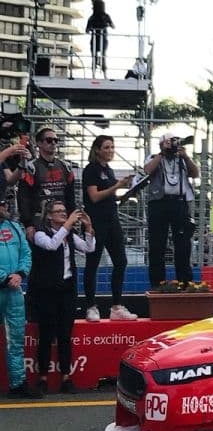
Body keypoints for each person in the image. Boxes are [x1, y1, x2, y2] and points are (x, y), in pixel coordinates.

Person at [30, 200, 95, 394]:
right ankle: (42, 377)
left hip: (67, 289)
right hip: (47, 290)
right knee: (46, 335)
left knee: (65, 335)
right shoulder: (41, 233)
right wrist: (68, 226)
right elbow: (51, 245)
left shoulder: (70, 235)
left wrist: (89, 227)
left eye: (64, 211)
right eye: (58, 211)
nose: (63, 214)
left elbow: (89, 248)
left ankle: (66, 377)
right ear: (49, 215)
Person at [81, 135, 136, 321]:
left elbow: (109, 196)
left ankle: (117, 305)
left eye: (112, 147)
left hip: (112, 219)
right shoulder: (91, 170)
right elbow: (94, 196)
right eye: (107, 147)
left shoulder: (109, 170)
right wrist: (116, 186)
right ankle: (90, 305)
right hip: (96, 221)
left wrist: (124, 193)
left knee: (121, 261)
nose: (110, 150)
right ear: (97, 150)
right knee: (93, 263)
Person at [143, 132, 200, 289]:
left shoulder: (181, 159)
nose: (172, 144)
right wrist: (162, 153)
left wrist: (186, 157)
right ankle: (157, 283)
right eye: (168, 142)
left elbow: (195, 173)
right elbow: (147, 170)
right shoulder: (154, 156)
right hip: (158, 203)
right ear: (161, 143)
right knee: (157, 245)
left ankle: (185, 282)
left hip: (179, 203)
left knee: (183, 244)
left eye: (173, 141)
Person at [0, 194, 39, 398]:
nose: (5, 206)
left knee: (16, 340)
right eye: (2, 203)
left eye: (6, 202)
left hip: (13, 292)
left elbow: (26, 253)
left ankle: (18, 384)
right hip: (5, 285)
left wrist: (20, 273)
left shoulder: (14, 227)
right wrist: (4, 277)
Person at [17, 127, 76, 241]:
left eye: (56, 140)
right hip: (39, 222)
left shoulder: (66, 167)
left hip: (62, 221)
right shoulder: (31, 167)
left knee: (67, 256)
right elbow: (23, 198)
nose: (53, 143)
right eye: (49, 140)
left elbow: (71, 197)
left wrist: (72, 220)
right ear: (39, 143)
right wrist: (28, 224)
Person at [86, 0, 114, 78]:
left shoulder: (92, 17)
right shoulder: (105, 16)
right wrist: (107, 25)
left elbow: (87, 30)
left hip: (96, 39)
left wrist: (91, 29)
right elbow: (113, 26)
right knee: (103, 56)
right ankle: (103, 74)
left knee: (95, 56)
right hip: (102, 38)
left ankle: (94, 74)